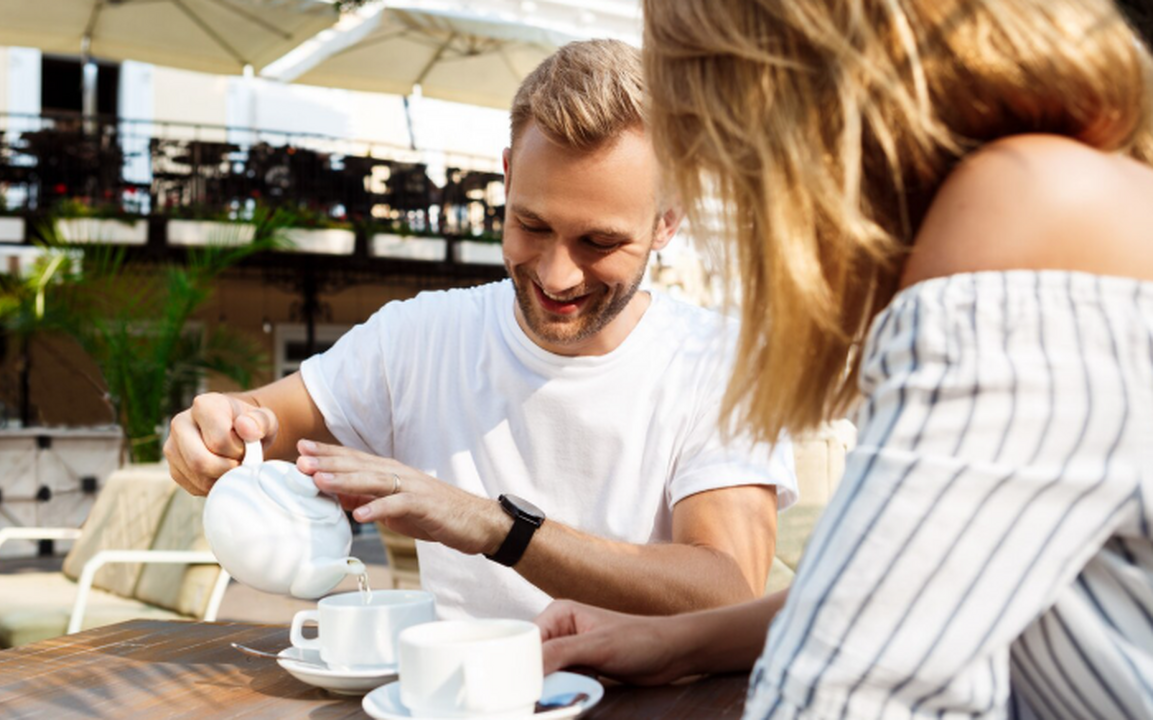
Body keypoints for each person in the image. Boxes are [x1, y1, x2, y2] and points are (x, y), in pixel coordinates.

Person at [536, 0, 1153, 717]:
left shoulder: (1022, 209)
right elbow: (912, 591)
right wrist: (674, 641)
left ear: (769, 94)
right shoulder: (1077, 184)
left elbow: (842, 692)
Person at [164, 39, 796, 622]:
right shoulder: (420, 336)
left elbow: (725, 588)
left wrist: (495, 526)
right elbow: (257, 422)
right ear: (507, 176)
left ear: (668, 221)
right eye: (533, 225)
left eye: (599, 242)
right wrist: (212, 431)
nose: (557, 274)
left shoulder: (721, 362)